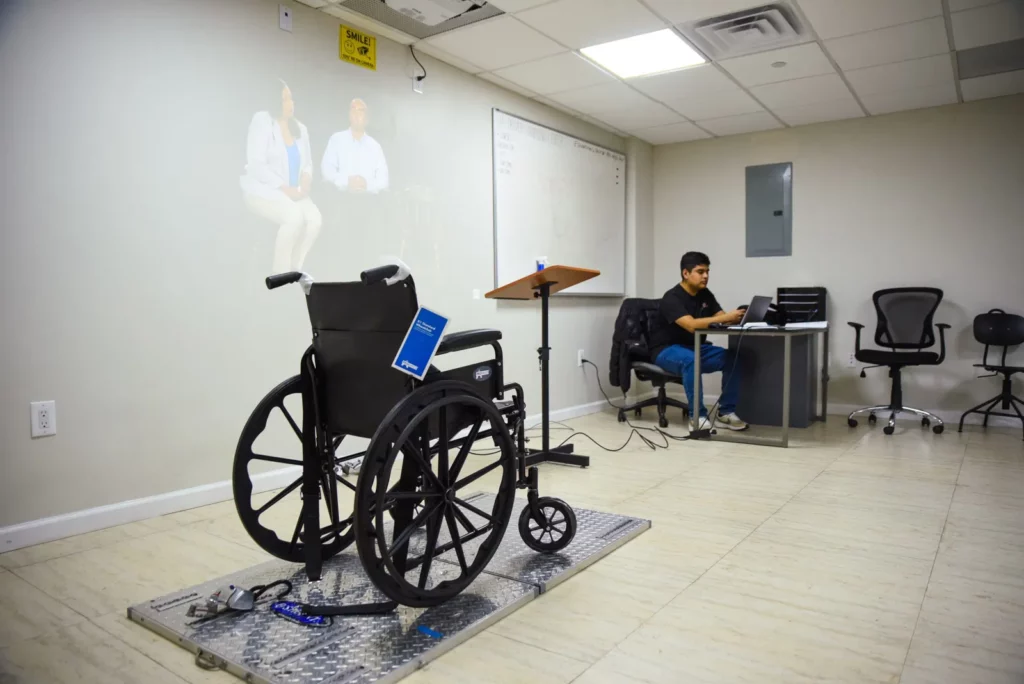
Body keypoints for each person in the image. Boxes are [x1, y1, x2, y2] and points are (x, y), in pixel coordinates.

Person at [649, 251, 749, 430]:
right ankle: (698, 417)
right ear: (685, 273)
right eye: (701, 271)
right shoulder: (671, 298)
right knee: (690, 361)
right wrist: (725, 317)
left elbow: (721, 316)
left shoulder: (705, 294)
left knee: (734, 358)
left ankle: (725, 413)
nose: (706, 276)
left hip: (695, 347)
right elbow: (691, 325)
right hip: (666, 350)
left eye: (707, 272)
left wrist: (738, 316)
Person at [240, 80, 322, 275]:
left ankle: (296, 268)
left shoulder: (300, 128)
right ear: (274, 101)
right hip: (264, 191)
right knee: (294, 218)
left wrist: (306, 178)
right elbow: (256, 164)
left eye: (291, 98)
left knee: (315, 221)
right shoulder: (262, 121)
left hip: (295, 193)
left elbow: (308, 163)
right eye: (284, 99)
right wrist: (284, 188)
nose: (290, 103)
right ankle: (281, 274)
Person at [321, 98, 389, 193]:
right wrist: (347, 182)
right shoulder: (336, 139)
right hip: (341, 198)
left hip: (369, 200)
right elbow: (327, 171)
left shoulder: (375, 147)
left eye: (360, 111)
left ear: (366, 118)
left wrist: (366, 185)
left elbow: (384, 180)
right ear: (349, 115)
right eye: (353, 110)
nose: (357, 115)